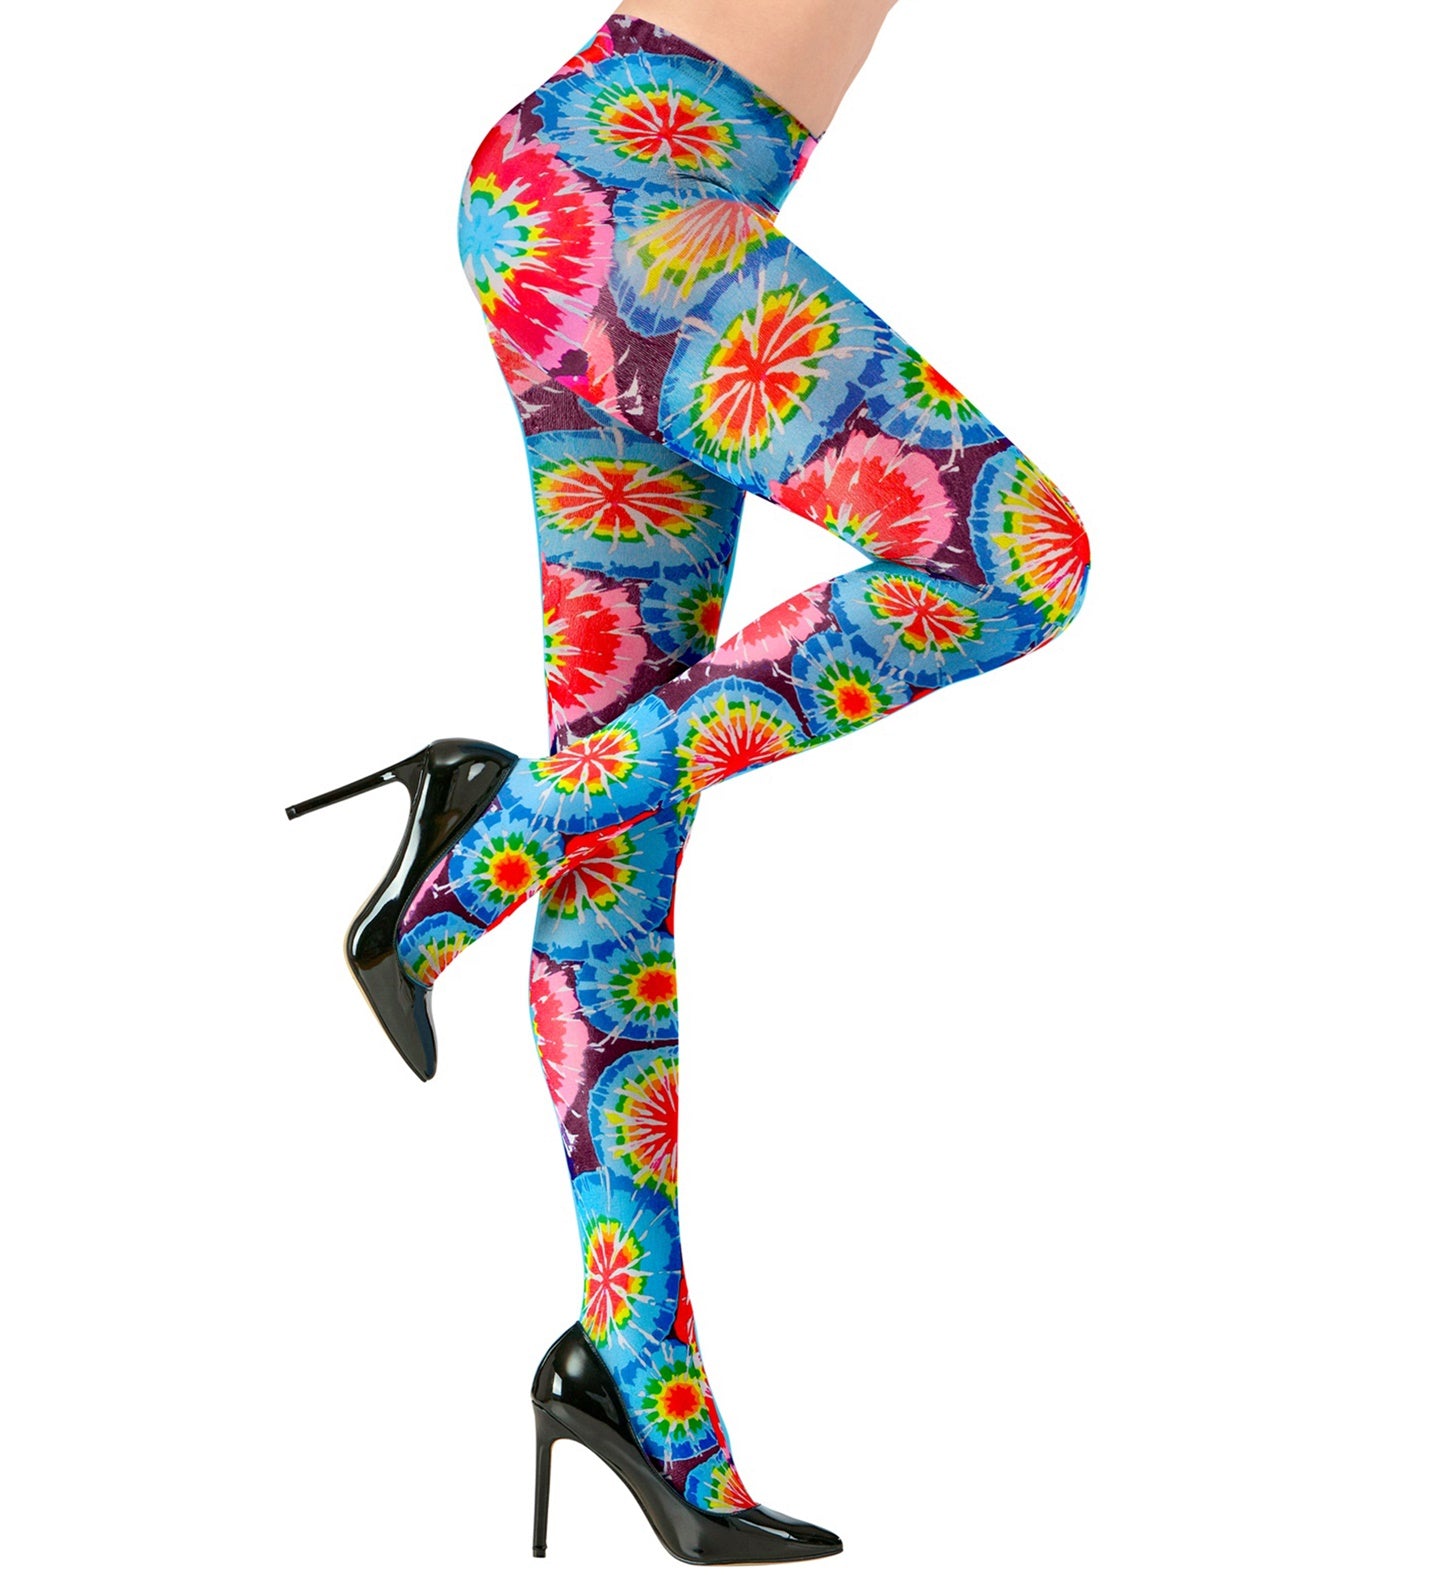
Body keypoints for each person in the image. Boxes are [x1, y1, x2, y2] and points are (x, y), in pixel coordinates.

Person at [288, 3, 1090, 1561]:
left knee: (624, 851)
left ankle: (635, 1376)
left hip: (612, 195)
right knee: (1014, 559)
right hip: (622, 210)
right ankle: (498, 824)